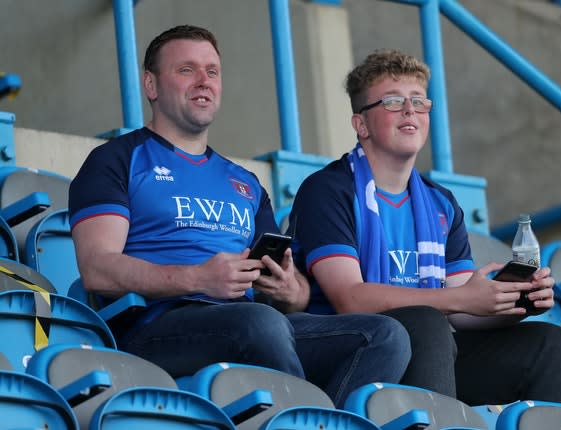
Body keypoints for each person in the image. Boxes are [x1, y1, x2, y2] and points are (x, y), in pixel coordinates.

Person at [68, 26, 411, 408]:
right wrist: (198, 278)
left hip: (255, 323)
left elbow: (292, 296)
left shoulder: (244, 182)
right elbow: (98, 270)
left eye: (212, 72)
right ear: (151, 85)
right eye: (187, 70)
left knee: (386, 335)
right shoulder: (116, 160)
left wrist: (289, 291)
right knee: (259, 324)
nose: (204, 82)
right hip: (157, 326)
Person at [288, 49, 561, 407]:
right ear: (361, 124)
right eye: (394, 101)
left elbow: (462, 307)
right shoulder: (328, 190)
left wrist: (511, 302)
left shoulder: (440, 203)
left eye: (419, 101)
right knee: (427, 323)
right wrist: (457, 299)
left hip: (430, 350)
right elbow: (350, 298)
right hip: (356, 352)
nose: (410, 110)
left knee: (551, 344)